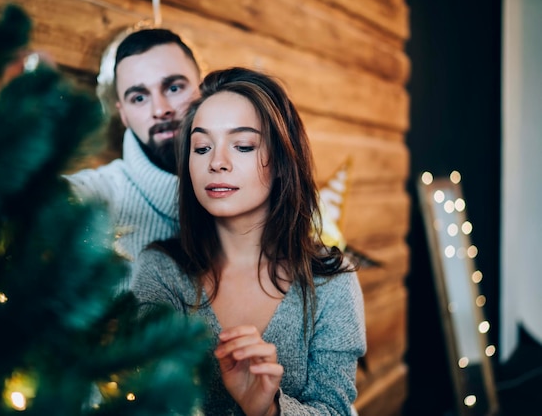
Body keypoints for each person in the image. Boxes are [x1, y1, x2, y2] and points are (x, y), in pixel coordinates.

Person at [131, 67, 367, 415]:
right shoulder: (161, 270)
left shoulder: (331, 281)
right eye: (201, 147)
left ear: (282, 159)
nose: (217, 162)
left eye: (242, 145)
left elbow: (335, 410)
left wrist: (268, 410)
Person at [62, 28, 201, 292]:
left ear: (202, 90)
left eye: (174, 87)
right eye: (139, 97)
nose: (161, 109)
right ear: (123, 114)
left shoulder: (248, 194)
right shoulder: (99, 194)